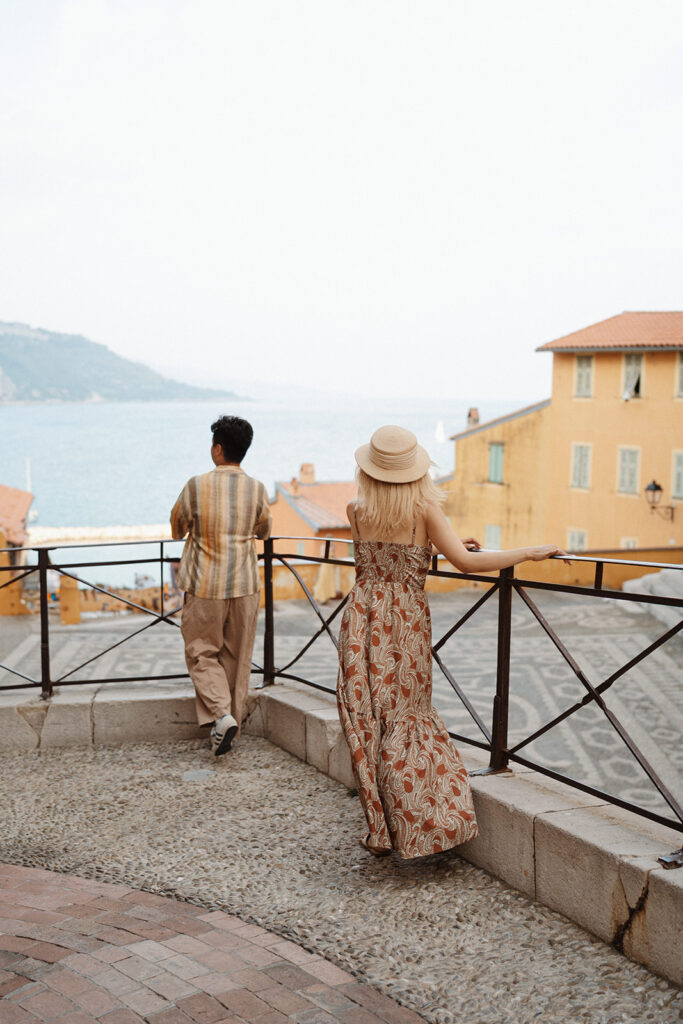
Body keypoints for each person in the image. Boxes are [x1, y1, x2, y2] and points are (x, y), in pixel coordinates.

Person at [337, 424, 567, 858]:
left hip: (361, 620)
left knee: (368, 717)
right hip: (403, 625)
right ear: (415, 470)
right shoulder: (424, 510)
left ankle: (381, 830)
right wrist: (527, 552)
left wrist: (437, 545)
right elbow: (465, 562)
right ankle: (422, 827)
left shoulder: (355, 509)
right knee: (406, 717)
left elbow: (381, 555)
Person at [171, 415, 271, 756]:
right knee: (236, 658)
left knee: (201, 652)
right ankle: (225, 723)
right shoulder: (257, 488)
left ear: (217, 449)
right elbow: (264, 531)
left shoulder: (196, 486)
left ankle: (221, 715)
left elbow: (177, 527)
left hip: (204, 585)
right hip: (244, 585)